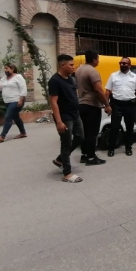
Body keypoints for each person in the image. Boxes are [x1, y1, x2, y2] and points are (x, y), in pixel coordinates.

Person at [49, 55, 84, 183]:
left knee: (80, 137)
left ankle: (60, 159)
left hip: (75, 114)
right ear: (62, 65)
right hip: (64, 116)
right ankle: (67, 174)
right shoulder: (55, 80)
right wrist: (59, 121)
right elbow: (53, 102)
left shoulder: (71, 79)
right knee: (66, 143)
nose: (73, 67)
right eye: (71, 65)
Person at [75, 50, 110, 166]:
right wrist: (107, 104)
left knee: (85, 131)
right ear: (94, 60)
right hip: (91, 105)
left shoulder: (79, 70)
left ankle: (84, 155)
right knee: (92, 133)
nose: (98, 61)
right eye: (98, 59)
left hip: (81, 104)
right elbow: (99, 90)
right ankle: (91, 157)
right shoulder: (93, 71)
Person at [105, 57, 136, 157]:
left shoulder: (134, 77)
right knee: (114, 127)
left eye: (125, 63)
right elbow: (107, 91)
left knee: (129, 128)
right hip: (116, 105)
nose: (122, 65)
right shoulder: (113, 75)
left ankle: (128, 147)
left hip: (130, 105)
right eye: (121, 63)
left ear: (129, 65)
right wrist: (106, 105)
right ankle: (111, 148)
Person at [0, 63, 27, 142]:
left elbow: (23, 88)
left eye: (7, 68)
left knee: (8, 117)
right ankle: (23, 133)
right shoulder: (4, 78)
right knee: (16, 117)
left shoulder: (18, 77)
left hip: (16, 100)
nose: (5, 70)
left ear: (12, 69)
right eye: (4, 69)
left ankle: (2, 136)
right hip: (7, 101)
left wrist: (21, 100)